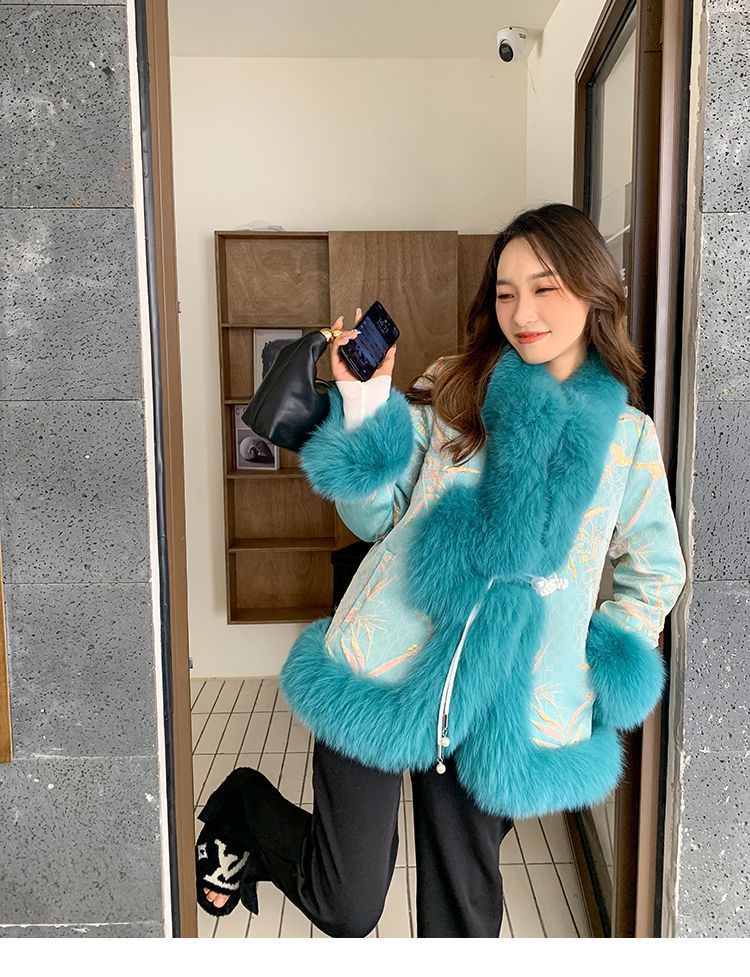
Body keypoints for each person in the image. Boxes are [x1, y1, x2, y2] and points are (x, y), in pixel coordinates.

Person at [196, 202, 687, 938]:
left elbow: (655, 570)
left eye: (545, 288)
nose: (522, 313)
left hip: (505, 700)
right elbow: (374, 517)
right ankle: (242, 806)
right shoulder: (456, 388)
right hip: (383, 661)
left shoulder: (628, 439)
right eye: (506, 292)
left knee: (464, 916)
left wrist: (596, 661)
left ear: (593, 290)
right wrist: (365, 401)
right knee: (346, 902)